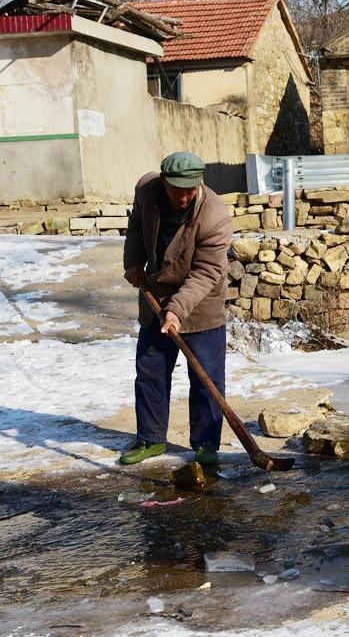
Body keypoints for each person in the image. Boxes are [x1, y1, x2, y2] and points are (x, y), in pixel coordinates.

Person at [119, 152, 233, 466]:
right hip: (156, 296)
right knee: (150, 372)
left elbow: (207, 272)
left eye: (190, 190)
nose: (184, 196)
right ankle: (151, 439)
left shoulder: (214, 215)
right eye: (176, 189)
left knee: (206, 377)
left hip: (201, 302)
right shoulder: (146, 189)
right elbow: (137, 225)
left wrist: (177, 310)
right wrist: (132, 261)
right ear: (163, 181)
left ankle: (206, 445)